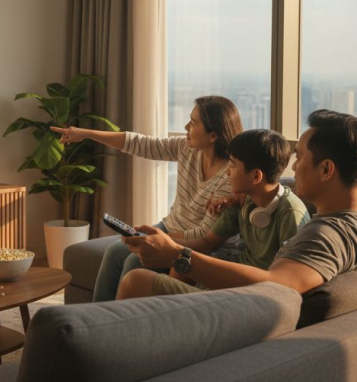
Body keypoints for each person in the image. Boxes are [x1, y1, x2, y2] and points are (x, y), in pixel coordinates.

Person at [117, 109, 357, 298]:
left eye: (300, 157)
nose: (293, 165)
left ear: (326, 170)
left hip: (247, 317)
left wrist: (179, 255)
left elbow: (277, 286)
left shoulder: (326, 234)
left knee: (137, 282)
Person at [50, 96, 242, 302]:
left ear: (212, 136)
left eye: (193, 123)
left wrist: (158, 238)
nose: (186, 127)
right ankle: (96, 316)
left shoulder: (230, 177)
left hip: (200, 244)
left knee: (135, 260)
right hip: (171, 227)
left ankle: (122, 322)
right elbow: (141, 144)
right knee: (114, 251)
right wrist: (86, 134)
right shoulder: (187, 148)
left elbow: (206, 236)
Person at [159, 129, 311, 292]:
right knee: (183, 260)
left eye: (232, 165)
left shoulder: (291, 213)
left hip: (259, 288)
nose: (227, 172)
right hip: (238, 272)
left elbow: (290, 278)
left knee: (138, 280)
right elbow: (206, 242)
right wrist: (164, 242)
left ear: (255, 177)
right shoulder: (241, 201)